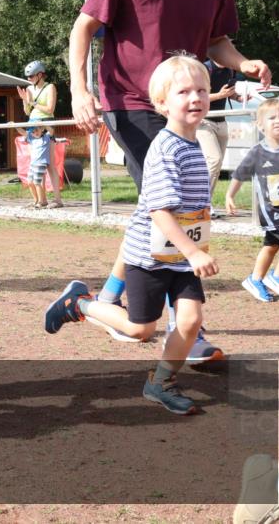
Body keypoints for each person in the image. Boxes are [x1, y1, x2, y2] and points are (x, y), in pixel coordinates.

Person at [63, 0, 271, 358]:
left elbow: (217, 42)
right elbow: (83, 28)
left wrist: (243, 63)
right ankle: (187, 327)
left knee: (157, 205)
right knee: (173, 207)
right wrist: (78, 89)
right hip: (131, 103)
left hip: (182, 108)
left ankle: (99, 300)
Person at [46, 56, 217, 415]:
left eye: (202, 90)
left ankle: (160, 383)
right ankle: (78, 305)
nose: (195, 98)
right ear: (161, 103)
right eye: (184, 92)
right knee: (141, 330)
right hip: (149, 258)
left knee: (190, 321)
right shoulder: (166, 148)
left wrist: (196, 241)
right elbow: (160, 212)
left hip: (180, 257)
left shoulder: (193, 143)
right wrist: (194, 251)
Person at [225, 99, 279, 303]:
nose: (278, 121)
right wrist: (229, 195)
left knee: (272, 245)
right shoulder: (257, 152)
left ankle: (255, 279)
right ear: (260, 125)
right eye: (272, 118)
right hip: (273, 211)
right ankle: (278, 277)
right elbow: (239, 175)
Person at [18, 60, 64, 208]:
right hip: (32, 126)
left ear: (39, 75)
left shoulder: (50, 87)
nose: (29, 79)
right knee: (37, 163)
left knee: (50, 165)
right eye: (28, 77)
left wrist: (32, 103)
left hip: (46, 126)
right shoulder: (29, 89)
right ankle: (41, 200)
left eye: (31, 76)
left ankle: (57, 200)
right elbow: (27, 112)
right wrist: (25, 101)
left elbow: (50, 109)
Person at [198, 59, 237, 197]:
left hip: (221, 121)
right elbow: (197, 97)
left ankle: (206, 201)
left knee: (216, 165)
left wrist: (238, 97)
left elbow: (228, 93)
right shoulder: (204, 69)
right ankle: (202, 201)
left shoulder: (230, 70)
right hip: (204, 121)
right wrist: (220, 95)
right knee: (214, 160)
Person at [24, 125, 51, 209]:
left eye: (37, 130)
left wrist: (43, 124)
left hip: (41, 163)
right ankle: (36, 200)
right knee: (30, 182)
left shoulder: (46, 137)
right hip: (33, 163)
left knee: (37, 182)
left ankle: (41, 202)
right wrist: (15, 126)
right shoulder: (32, 139)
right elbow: (23, 132)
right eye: (33, 132)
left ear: (41, 129)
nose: (35, 133)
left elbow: (51, 131)